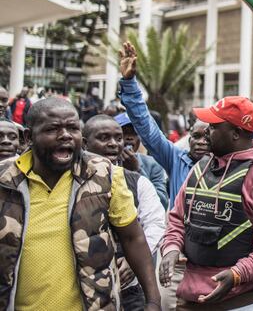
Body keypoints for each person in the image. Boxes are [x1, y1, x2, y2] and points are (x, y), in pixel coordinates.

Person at [0, 98, 161, 310]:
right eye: (53, 129)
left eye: (72, 128)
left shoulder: (105, 174)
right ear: (29, 137)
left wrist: (153, 301)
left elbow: (133, 238)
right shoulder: (5, 178)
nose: (65, 135)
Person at [160, 95, 253, 310]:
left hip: (241, 298)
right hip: (190, 295)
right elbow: (177, 218)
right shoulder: (201, 167)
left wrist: (238, 274)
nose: (206, 131)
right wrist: (171, 248)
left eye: (214, 127)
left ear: (236, 133)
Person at [116, 42, 253, 206]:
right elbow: (146, 127)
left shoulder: (232, 165)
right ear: (188, 137)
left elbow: (252, 149)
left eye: (208, 133)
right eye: (196, 136)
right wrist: (129, 84)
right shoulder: (176, 159)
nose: (201, 141)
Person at [83, 114, 167, 311]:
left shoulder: (137, 181)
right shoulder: (74, 181)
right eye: (104, 138)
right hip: (85, 288)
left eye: (117, 138)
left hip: (129, 290)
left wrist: (133, 262)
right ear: (85, 143)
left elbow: (155, 223)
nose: (114, 144)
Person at [115, 112, 169, 209]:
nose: (129, 137)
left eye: (135, 133)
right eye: (124, 132)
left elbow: (163, 203)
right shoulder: (106, 163)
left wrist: (137, 170)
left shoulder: (153, 164)